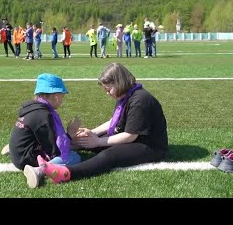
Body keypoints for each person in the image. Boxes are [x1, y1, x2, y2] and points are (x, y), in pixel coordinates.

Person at [35, 62, 169, 185]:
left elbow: (130, 136)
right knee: (87, 139)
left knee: (109, 154)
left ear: (119, 83)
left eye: (108, 89)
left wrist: (98, 142)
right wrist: (92, 133)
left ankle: (66, 173)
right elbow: (114, 121)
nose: (107, 93)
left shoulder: (140, 100)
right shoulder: (125, 95)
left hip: (150, 146)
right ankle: (49, 152)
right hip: (133, 137)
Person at [7, 73, 82, 188]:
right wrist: (70, 134)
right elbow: (55, 151)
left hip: (18, 151)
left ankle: (12, 147)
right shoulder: (44, 115)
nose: (62, 100)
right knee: (74, 157)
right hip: (25, 159)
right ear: (56, 96)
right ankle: (38, 170)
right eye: (62, 96)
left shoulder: (33, 108)